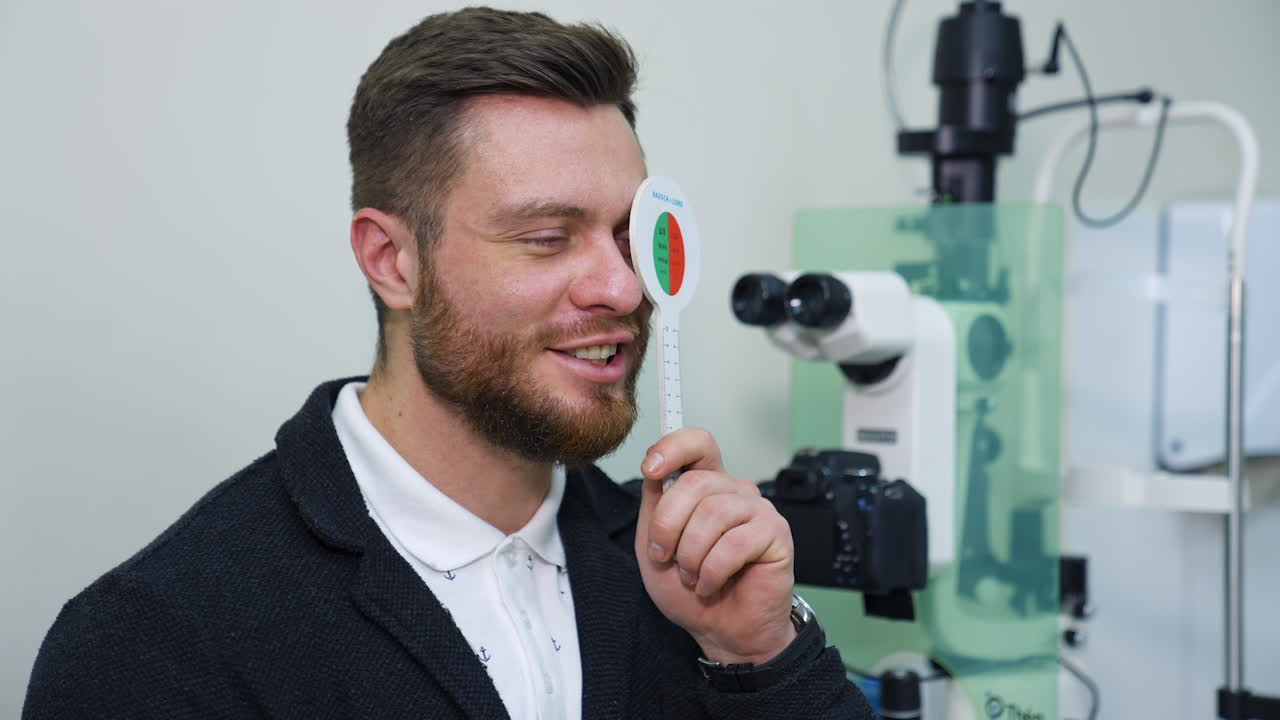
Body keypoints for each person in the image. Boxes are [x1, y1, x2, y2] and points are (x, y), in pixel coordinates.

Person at [24, 8, 873, 719]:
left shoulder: (680, 579)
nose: (622, 285)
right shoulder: (157, 646)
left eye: (626, 235)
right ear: (392, 261)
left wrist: (757, 654)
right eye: (546, 237)